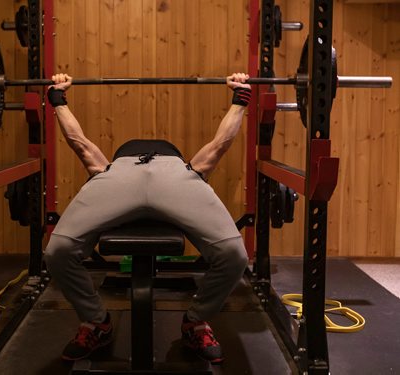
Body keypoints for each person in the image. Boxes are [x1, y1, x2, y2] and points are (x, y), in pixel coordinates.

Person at [44, 72, 251, 365]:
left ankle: (196, 321)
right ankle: (95, 321)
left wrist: (58, 99)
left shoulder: (181, 166)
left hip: (171, 180)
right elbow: (78, 143)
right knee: (58, 251)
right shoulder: (113, 167)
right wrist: (239, 98)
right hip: (124, 180)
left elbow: (220, 145)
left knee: (234, 254)